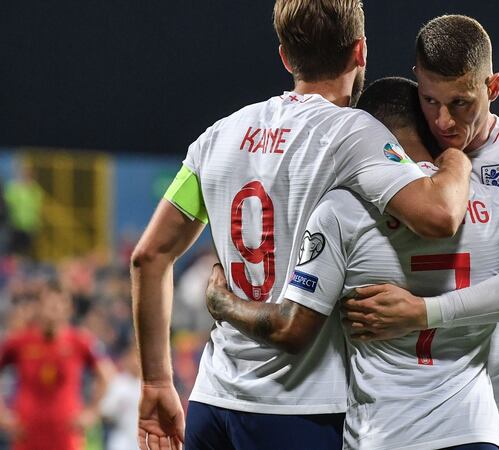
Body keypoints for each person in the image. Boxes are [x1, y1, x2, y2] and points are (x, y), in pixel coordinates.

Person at [130, 1, 473, 449]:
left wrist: (156, 382)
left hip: (212, 403)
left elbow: (149, 256)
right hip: (300, 409)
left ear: (286, 57)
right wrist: (457, 160)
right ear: (360, 52)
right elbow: (439, 214)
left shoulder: (219, 135)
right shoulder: (351, 132)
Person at [205, 76, 499, 449]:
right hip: (478, 428)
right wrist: (458, 165)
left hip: (381, 433)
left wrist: (223, 303)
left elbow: (291, 327)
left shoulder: (342, 213)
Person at [343, 15, 499, 449]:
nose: (444, 121)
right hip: (397, 413)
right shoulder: (390, 153)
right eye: (431, 100)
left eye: (461, 103)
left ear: (492, 88)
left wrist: (425, 311)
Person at [0, 281, 114, 450]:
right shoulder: (19, 341)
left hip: (66, 434)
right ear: (38, 306)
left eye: (60, 303)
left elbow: (106, 374)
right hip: (26, 433)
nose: (54, 308)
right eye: (49, 303)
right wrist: (2, 415)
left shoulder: (80, 341)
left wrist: (92, 412)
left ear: (69, 309)